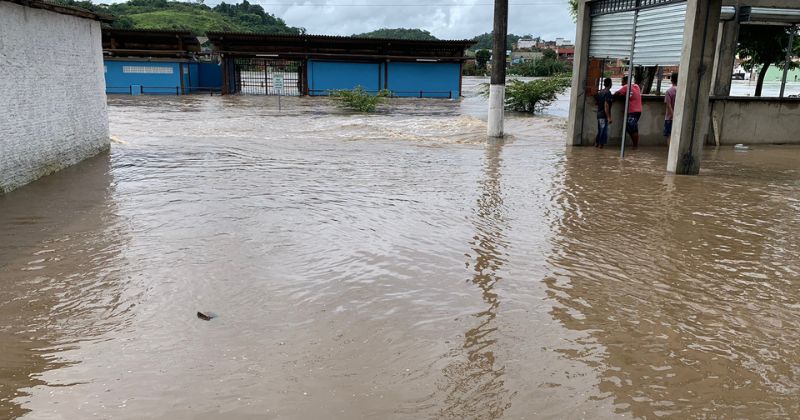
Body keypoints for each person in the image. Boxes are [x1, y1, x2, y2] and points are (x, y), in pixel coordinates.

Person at [614, 75, 643, 148]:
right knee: (630, 127)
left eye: (622, 82)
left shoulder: (626, 86)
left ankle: (635, 146)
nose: (621, 84)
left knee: (632, 128)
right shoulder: (636, 86)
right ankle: (635, 145)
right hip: (638, 110)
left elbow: (616, 94)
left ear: (625, 81)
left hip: (632, 111)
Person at [595, 78, 613, 148]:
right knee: (603, 131)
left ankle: (597, 144)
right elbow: (606, 105)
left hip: (599, 114)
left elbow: (596, 102)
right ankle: (600, 146)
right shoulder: (608, 93)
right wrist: (609, 117)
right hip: (603, 115)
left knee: (600, 130)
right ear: (610, 84)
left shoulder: (601, 92)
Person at [664, 72, 678, 145]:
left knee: (669, 135)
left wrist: (673, 115)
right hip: (679, 118)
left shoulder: (669, 91)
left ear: (671, 80)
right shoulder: (682, 91)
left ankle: (670, 153)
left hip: (670, 118)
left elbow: (668, 105)